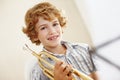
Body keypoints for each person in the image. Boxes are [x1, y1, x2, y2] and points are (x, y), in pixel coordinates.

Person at [23, 1, 98, 80]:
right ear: (35, 35)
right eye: (43, 28)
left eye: (55, 24)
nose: (52, 31)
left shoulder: (84, 49)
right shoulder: (37, 70)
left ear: (61, 25)